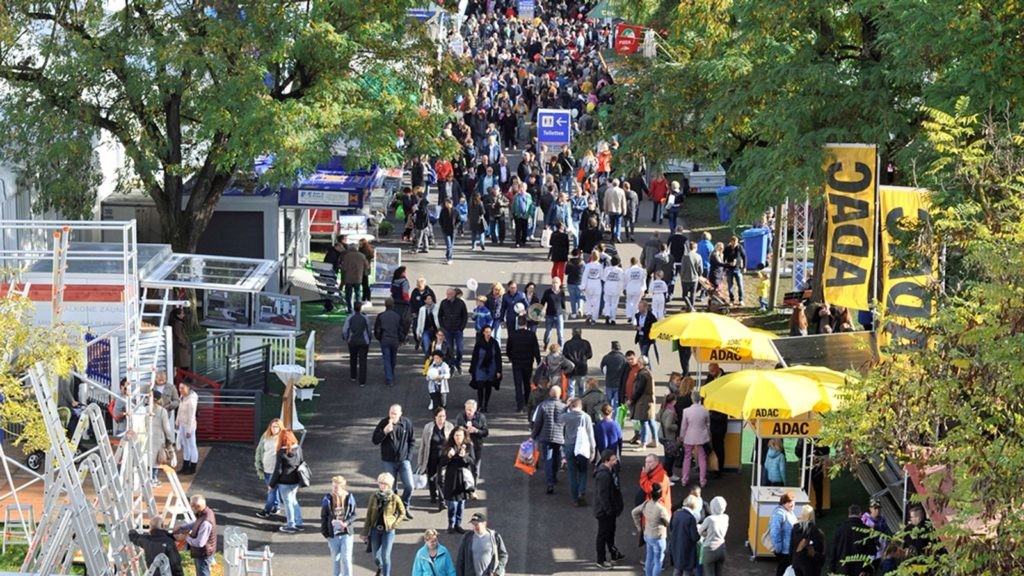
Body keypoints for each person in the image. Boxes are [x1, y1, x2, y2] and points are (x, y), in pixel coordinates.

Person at [371, 404, 416, 517]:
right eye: (391, 413)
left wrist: (408, 457)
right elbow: (375, 440)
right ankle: (394, 508)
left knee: (410, 486)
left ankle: (405, 505)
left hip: (403, 460)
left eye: (395, 414)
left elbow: (412, 441)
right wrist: (384, 432)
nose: (392, 416)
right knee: (392, 488)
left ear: (400, 414)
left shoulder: (406, 423)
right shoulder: (384, 423)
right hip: (389, 461)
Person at [362, 472, 406, 576]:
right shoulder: (374, 497)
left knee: (385, 555)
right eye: (380, 483)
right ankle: (380, 567)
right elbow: (368, 515)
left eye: (384, 483)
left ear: (389, 485)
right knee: (375, 557)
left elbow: (402, 512)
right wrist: (365, 532)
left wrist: (394, 524)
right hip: (375, 530)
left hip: (388, 531)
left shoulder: (394, 498)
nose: (382, 486)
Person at [593, 449, 626, 569]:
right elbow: (603, 495)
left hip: (610, 509)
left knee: (610, 532)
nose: (616, 461)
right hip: (604, 511)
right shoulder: (603, 475)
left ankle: (614, 553)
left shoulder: (611, 470)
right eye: (613, 459)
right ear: (606, 461)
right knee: (603, 534)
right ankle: (600, 560)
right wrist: (608, 510)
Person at [441, 426, 476, 534]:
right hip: (451, 477)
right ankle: (450, 524)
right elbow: (441, 462)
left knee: (461, 504)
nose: (458, 438)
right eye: (456, 435)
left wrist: (464, 456)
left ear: (464, 436)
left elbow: (472, 461)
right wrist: (448, 456)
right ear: (453, 436)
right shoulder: (448, 446)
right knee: (452, 504)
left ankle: (458, 524)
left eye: (460, 435)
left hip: (463, 478)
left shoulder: (468, 446)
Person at [417, 407, 454, 510]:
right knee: (431, 477)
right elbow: (423, 445)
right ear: (435, 417)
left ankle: (442, 501)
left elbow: (453, 442)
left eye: (444, 416)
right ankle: (433, 495)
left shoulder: (450, 426)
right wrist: (420, 460)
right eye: (440, 416)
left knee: (441, 480)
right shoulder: (428, 427)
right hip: (431, 456)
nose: (442, 418)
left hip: (444, 457)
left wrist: (452, 451)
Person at [532, 385, 566, 494]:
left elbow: (537, 423)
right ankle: (554, 476)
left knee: (548, 459)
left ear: (550, 393)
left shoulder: (543, 405)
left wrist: (533, 435)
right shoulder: (564, 407)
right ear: (560, 394)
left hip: (545, 436)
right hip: (559, 436)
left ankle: (549, 482)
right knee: (557, 457)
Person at [269, 429, 305, 533]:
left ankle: (291, 525)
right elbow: (301, 462)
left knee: (288, 502)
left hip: (284, 482)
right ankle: (299, 523)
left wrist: (271, 484)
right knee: (293, 501)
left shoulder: (281, 452)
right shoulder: (298, 449)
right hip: (296, 480)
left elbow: (278, 470)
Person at [320, 475, 357, 576]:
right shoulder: (327, 499)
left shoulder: (349, 497)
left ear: (342, 486)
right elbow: (324, 516)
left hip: (346, 533)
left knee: (346, 559)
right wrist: (325, 533)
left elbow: (354, 515)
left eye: (336, 487)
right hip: (333, 534)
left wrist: (345, 523)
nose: (334, 489)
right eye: (333, 486)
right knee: (335, 559)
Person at [562, 397, 596, 507]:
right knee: (583, 471)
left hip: (570, 447)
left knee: (572, 473)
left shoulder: (566, 416)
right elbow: (590, 435)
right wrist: (592, 450)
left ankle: (575, 498)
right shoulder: (586, 417)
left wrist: (565, 407)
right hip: (582, 447)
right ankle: (582, 492)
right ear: (581, 406)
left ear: (571, 406)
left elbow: (557, 419)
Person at [632, 483, 671, 576]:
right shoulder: (661, 509)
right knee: (658, 561)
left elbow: (634, 512)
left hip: (647, 534)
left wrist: (639, 527)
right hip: (658, 537)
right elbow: (668, 521)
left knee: (649, 558)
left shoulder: (646, 504)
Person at [173, 495, 217, 576]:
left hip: (203, 554)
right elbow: (196, 523)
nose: (190, 508)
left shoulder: (206, 522)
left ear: (198, 506)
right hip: (202, 552)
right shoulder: (205, 512)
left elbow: (199, 543)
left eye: (192, 506)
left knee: (203, 574)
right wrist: (181, 527)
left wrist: (185, 537)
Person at [830, 504, 875, 576]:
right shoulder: (867, 530)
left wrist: (832, 569)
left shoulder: (839, 529)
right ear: (860, 514)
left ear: (849, 514)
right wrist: (866, 569)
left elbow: (833, 551)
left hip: (842, 569)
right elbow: (872, 552)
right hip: (860, 571)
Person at [678, 389, 711, 487]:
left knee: (687, 457)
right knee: (702, 458)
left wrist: (681, 436)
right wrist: (708, 434)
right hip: (702, 437)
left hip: (689, 437)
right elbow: (708, 424)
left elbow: (684, 426)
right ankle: (702, 480)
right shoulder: (705, 410)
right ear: (700, 399)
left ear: (692, 399)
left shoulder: (686, 411)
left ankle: (684, 479)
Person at [506, 323, 540, 413]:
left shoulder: (513, 334)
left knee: (518, 385)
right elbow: (535, 349)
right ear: (525, 324)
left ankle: (519, 405)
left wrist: (511, 357)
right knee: (527, 384)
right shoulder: (531, 335)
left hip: (516, 363)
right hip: (528, 362)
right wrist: (538, 361)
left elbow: (508, 348)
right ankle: (527, 402)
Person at [469, 325, 502, 413]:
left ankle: (486, 405)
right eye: (486, 332)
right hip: (480, 367)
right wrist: (472, 369)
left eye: (490, 332)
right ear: (483, 332)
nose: (488, 334)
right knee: (480, 386)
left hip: (491, 368)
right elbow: (474, 357)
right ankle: (480, 405)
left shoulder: (494, 343)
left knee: (488, 387)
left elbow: (498, 357)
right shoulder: (479, 343)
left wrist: (499, 370)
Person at [374, 298, 406, 387]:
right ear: (393, 305)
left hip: (385, 339)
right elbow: (401, 329)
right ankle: (391, 373)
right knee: (393, 358)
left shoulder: (381, 316)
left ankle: (389, 378)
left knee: (386, 358)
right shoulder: (397, 316)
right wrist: (401, 339)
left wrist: (379, 338)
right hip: (394, 339)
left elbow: (377, 330)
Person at [254, 418, 282, 519]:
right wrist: (258, 464)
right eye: (273, 426)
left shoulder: (281, 438)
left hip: (275, 471)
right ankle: (277, 506)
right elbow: (259, 451)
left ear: (280, 428)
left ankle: (266, 510)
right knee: (273, 490)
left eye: (276, 427)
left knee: (271, 490)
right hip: (266, 469)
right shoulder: (265, 436)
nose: (274, 429)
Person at [666, 495, 701, 576]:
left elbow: (671, 528)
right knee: (687, 571)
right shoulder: (690, 518)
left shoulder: (676, 513)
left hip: (676, 545)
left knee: (677, 569)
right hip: (687, 549)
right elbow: (694, 537)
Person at [628, 355, 658, 450]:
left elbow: (639, 389)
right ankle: (655, 440)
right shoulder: (648, 372)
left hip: (643, 401)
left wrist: (632, 399)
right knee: (650, 420)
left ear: (640, 363)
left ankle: (643, 443)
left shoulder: (642, 374)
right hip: (650, 400)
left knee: (643, 421)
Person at [455, 399, 489, 480]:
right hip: (464, 445)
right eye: (467, 409)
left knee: (475, 468)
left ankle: (473, 485)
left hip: (476, 445)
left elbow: (485, 432)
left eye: (470, 410)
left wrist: (476, 430)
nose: (468, 412)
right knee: (464, 467)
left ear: (475, 409)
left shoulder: (481, 417)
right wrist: (463, 430)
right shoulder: (460, 417)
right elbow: (456, 430)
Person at [439, 288, 469, 373]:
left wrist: (461, 328)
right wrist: (442, 327)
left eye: (449, 294)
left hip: (458, 330)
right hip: (447, 330)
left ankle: (458, 363)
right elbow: (440, 315)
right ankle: (452, 365)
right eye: (447, 294)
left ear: (453, 294)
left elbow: (465, 316)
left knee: (460, 348)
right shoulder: (443, 303)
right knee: (450, 349)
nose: (447, 296)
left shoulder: (460, 303)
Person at [791, 505, 826, 576]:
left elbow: (791, 546)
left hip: (796, 561)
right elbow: (818, 547)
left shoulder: (795, 528)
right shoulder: (813, 529)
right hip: (809, 563)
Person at [769, 491, 798, 576]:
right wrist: (778, 548)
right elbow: (774, 531)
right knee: (782, 570)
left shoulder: (789, 512)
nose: (792, 504)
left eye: (793, 502)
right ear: (783, 503)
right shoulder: (779, 513)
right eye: (789, 502)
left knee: (785, 571)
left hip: (788, 549)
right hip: (784, 550)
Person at [341, 301, 371, 387]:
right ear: (361, 308)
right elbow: (369, 330)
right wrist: (369, 338)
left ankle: (353, 376)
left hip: (352, 341)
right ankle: (362, 381)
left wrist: (346, 338)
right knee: (363, 360)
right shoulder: (365, 318)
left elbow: (345, 330)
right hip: (363, 341)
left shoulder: (349, 317)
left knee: (353, 358)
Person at [698, 496, 729, 576]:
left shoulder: (710, 519)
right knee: (719, 573)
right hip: (722, 549)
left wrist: (707, 534)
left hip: (709, 550)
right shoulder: (726, 517)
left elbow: (700, 531)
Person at [561, 327, 592, 398]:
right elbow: (590, 355)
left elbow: (564, 356)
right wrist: (584, 358)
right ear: (580, 333)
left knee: (571, 389)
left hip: (571, 369)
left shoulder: (567, 344)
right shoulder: (586, 343)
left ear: (572, 333)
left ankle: (571, 405)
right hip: (582, 368)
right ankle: (581, 404)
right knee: (582, 389)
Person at [175, 381, 198, 475]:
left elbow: (192, 416)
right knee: (185, 445)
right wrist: (177, 421)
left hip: (190, 425)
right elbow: (180, 410)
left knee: (192, 445)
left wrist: (189, 430)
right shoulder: (183, 397)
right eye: (179, 388)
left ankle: (193, 467)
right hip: (183, 424)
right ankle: (185, 465)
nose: (180, 390)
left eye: (182, 388)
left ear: (188, 388)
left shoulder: (191, 400)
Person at [340, 244, 369, 312]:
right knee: (358, 294)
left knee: (348, 295)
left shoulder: (347, 256)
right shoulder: (362, 256)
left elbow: (343, 267)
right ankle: (358, 309)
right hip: (358, 278)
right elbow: (367, 266)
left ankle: (350, 309)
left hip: (348, 278)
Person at [540, 277, 566, 347]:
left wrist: (564, 311)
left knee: (560, 334)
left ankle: (561, 349)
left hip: (559, 315)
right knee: (548, 333)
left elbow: (563, 303)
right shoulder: (547, 292)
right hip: (549, 316)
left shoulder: (562, 292)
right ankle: (546, 343)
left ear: (560, 284)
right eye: (553, 283)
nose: (555, 284)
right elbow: (542, 302)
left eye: (556, 283)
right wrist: (537, 311)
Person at [600, 341, 627, 408]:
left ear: (612, 348)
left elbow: (603, 369)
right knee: (616, 403)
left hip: (609, 383)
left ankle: (608, 415)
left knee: (608, 402)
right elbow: (626, 371)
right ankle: (615, 417)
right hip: (619, 385)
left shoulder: (606, 357)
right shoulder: (623, 358)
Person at [680, 241, 703, 311]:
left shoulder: (685, 256)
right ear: (695, 248)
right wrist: (699, 275)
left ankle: (690, 307)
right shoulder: (698, 256)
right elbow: (700, 269)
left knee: (684, 295)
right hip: (694, 278)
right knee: (693, 294)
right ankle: (691, 307)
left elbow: (682, 267)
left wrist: (682, 275)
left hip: (685, 278)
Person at [582, 250, 604, 324]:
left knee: (588, 300)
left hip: (589, 282)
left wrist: (583, 286)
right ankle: (594, 318)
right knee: (596, 302)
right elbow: (602, 276)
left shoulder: (588, 265)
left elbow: (584, 276)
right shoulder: (600, 266)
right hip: (597, 283)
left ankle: (589, 314)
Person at [416, 293, 442, 358]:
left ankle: (436, 358)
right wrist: (418, 332)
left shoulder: (437, 307)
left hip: (436, 330)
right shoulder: (422, 309)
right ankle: (428, 357)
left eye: (431, 298)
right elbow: (420, 321)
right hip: (426, 330)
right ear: (425, 301)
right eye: (428, 299)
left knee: (437, 346)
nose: (430, 300)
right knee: (426, 344)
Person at [723, 235, 747, 304]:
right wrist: (725, 266)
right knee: (730, 285)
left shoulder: (739, 247)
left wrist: (744, 267)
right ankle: (731, 299)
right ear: (731, 242)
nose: (734, 244)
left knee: (740, 285)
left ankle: (741, 299)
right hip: (729, 269)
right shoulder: (727, 248)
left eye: (735, 243)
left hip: (737, 269)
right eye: (733, 243)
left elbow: (744, 256)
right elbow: (724, 258)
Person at [602, 255, 624, 324]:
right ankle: (613, 319)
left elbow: (603, 278)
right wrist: (622, 288)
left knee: (607, 302)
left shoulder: (607, 269)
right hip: (616, 287)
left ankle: (607, 314)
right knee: (614, 303)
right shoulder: (620, 270)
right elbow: (622, 279)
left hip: (608, 286)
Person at [169, 306, 191, 372]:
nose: (183, 315)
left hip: (181, 347)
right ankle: (179, 380)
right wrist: (185, 345)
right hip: (181, 348)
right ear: (178, 315)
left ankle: (179, 379)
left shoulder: (178, 323)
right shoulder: (177, 324)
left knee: (183, 366)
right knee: (183, 366)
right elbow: (179, 336)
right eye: (182, 313)